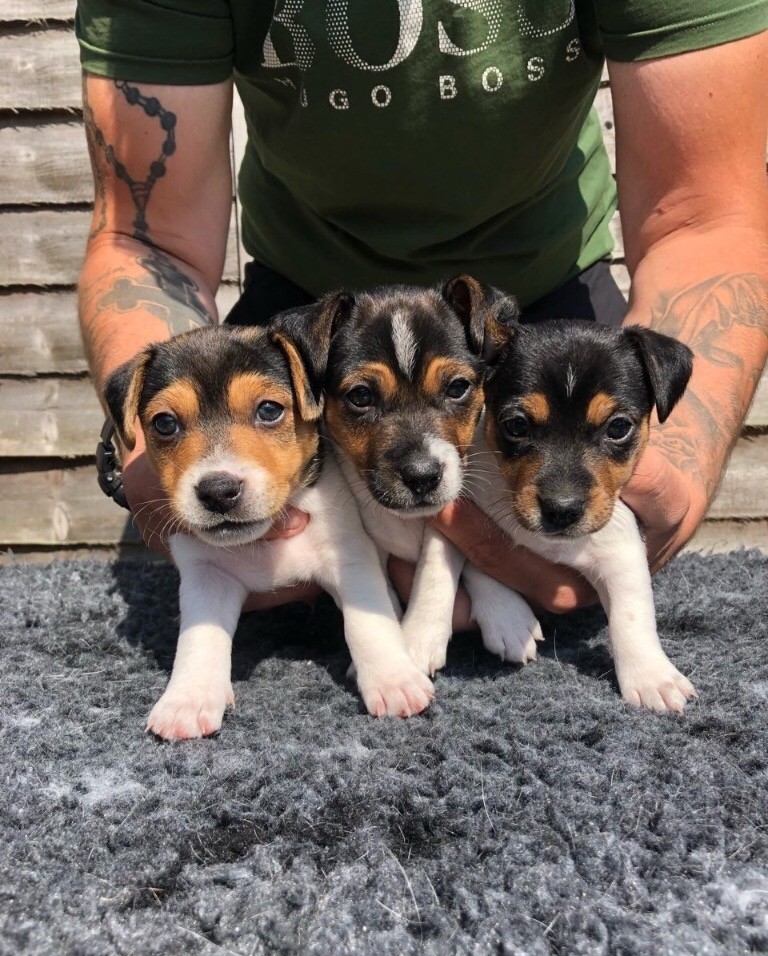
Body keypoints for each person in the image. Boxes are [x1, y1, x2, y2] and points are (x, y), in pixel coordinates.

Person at [76, 1, 768, 622]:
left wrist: (675, 462)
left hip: (542, 327)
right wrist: (155, 449)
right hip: (306, 335)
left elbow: (704, 217)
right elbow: (149, 238)